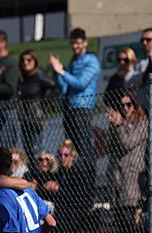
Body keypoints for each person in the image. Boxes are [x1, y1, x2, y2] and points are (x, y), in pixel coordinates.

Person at [49, 28, 101, 169]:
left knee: (84, 147)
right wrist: (56, 72)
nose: (75, 46)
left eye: (78, 43)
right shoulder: (74, 61)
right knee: (72, 148)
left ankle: (89, 179)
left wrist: (62, 71)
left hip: (82, 109)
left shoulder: (92, 60)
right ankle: (76, 180)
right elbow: (65, 88)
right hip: (69, 108)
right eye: (72, 43)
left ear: (85, 42)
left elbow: (80, 84)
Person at [107, 90, 148, 233]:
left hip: (133, 182)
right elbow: (111, 148)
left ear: (135, 105)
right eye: (121, 105)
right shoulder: (118, 125)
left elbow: (127, 143)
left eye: (128, 105)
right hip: (118, 183)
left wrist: (119, 125)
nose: (125, 109)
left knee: (134, 232)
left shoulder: (142, 122)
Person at [17, 49, 56, 159]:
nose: (26, 62)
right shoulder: (22, 78)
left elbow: (55, 88)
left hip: (35, 119)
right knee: (28, 152)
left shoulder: (39, 75)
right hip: (24, 119)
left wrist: (44, 102)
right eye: (23, 60)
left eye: (29, 60)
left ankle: (39, 175)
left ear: (35, 61)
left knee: (37, 152)